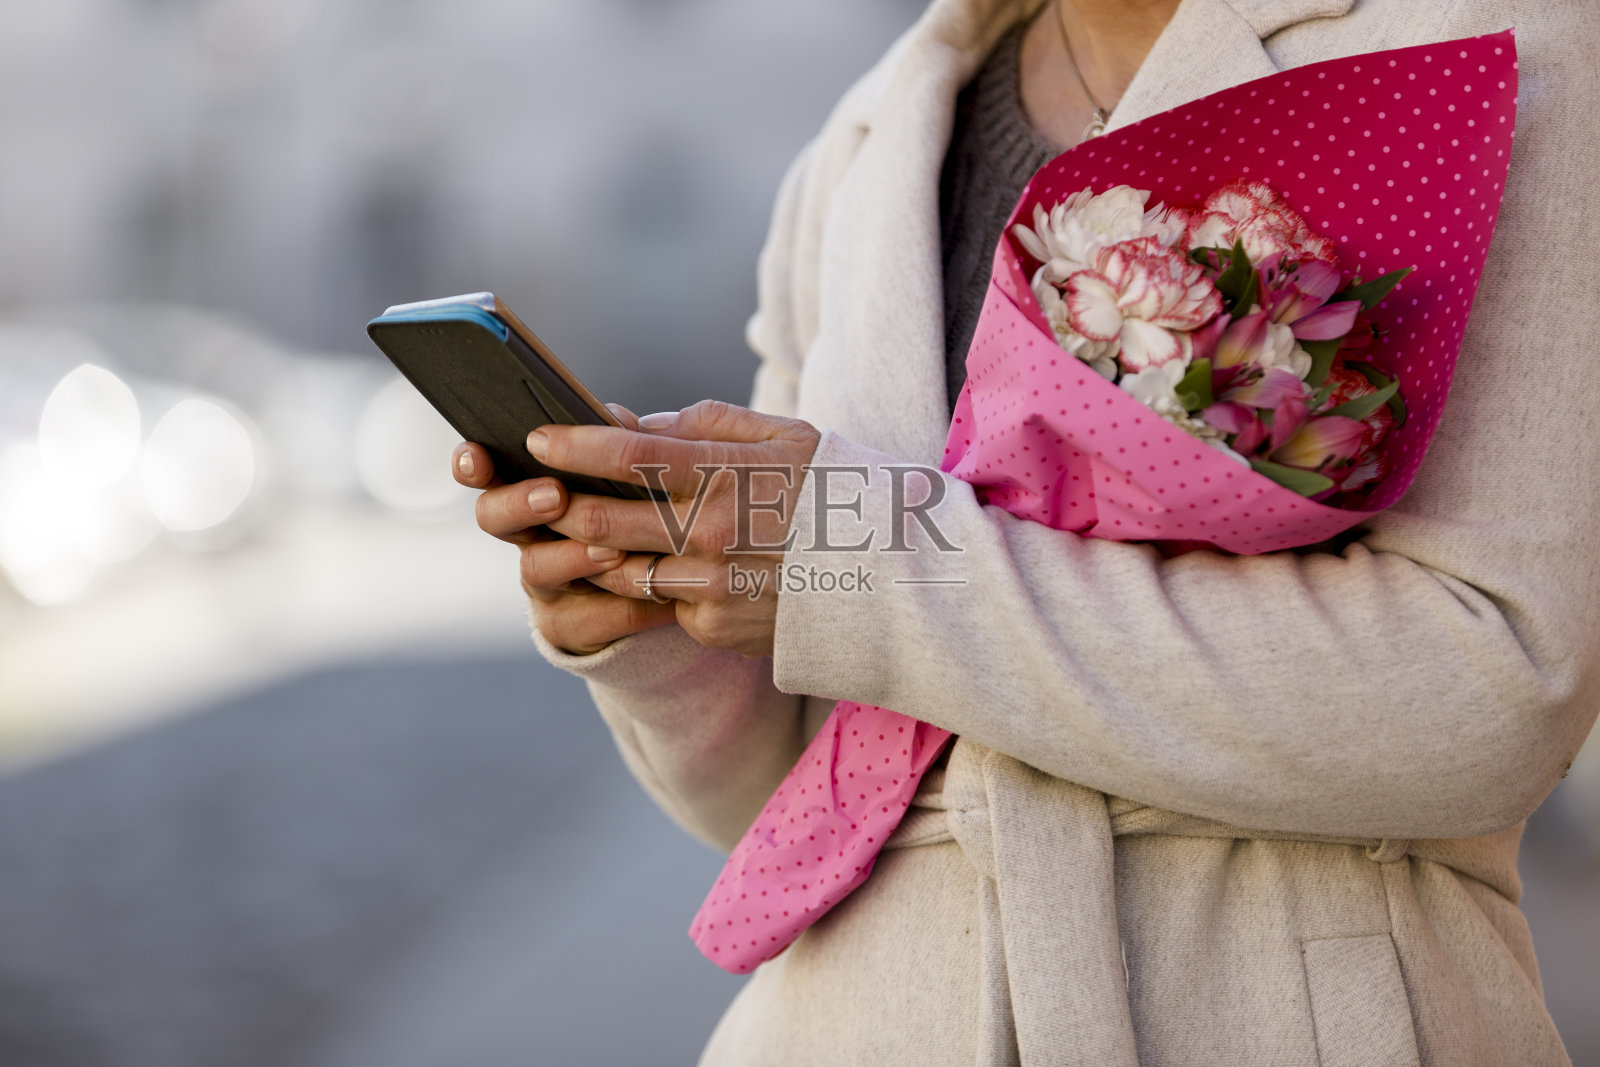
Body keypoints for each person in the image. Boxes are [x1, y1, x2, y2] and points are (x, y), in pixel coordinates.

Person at [452, 0, 1598, 1062]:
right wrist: (657, 622)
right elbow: (791, 797)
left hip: (1272, 1006)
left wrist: (849, 558)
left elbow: (1488, 690)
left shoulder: (1507, 46)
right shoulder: (868, 140)